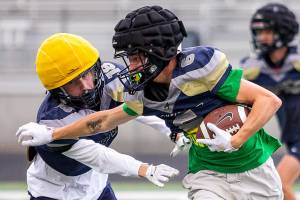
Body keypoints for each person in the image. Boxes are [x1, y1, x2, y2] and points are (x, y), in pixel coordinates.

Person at [17, 6, 284, 199]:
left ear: (158, 52)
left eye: (135, 57)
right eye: (129, 58)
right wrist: (52, 133)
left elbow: (269, 100)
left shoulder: (201, 68)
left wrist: (235, 139)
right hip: (207, 172)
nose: (130, 66)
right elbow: (103, 128)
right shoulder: (137, 90)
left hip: (253, 166)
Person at [20, 33, 179, 200]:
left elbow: (138, 105)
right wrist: (143, 169)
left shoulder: (110, 77)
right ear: (58, 90)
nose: (86, 86)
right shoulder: (52, 118)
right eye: (73, 82)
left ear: (96, 68)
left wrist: (172, 129)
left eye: (86, 74)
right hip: (54, 190)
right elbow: (97, 156)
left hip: (94, 182)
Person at [240, 3, 300, 200]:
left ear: (283, 31)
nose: (262, 37)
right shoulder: (253, 68)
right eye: (259, 32)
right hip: (292, 138)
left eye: (267, 31)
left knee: (280, 184)